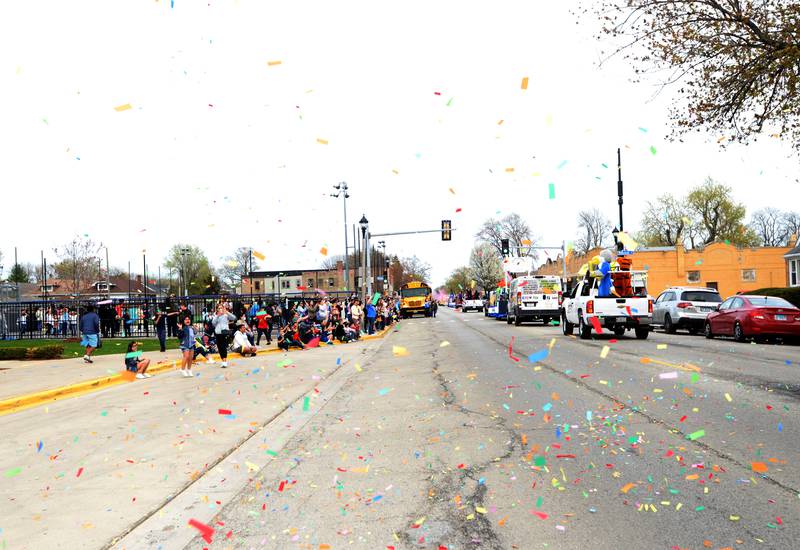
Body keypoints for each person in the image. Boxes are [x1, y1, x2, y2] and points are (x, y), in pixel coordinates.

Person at [211, 303, 236, 368]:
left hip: (224, 332)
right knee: (219, 347)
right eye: (219, 308)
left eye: (221, 308)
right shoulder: (215, 315)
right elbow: (213, 323)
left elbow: (234, 318)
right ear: (217, 309)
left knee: (223, 347)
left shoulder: (226, 314)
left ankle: (225, 361)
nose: (220, 309)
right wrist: (217, 316)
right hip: (218, 333)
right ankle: (223, 360)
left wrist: (226, 312)